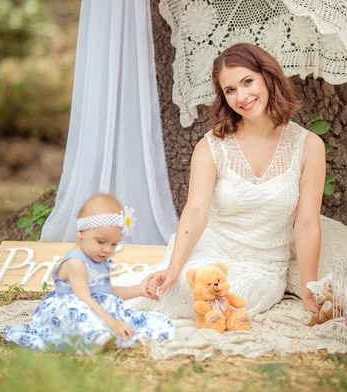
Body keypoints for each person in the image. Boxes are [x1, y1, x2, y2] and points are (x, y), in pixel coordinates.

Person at [115, 43, 325, 317]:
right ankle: (108, 307)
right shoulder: (212, 146)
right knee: (180, 287)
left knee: (222, 297)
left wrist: (309, 293)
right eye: (230, 90)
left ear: (268, 77)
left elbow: (307, 224)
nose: (242, 96)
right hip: (207, 253)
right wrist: (174, 267)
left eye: (248, 82)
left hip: (261, 267)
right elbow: (196, 210)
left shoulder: (308, 146)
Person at [2, 194, 175, 353]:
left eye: (114, 244)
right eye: (101, 241)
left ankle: (115, 333)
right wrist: (112, 322)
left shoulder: (100, 260)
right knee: (80, 311)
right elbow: (84, 298)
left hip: (99, 311)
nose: (107, 249)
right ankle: (97, 337)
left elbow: (107, 292)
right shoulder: (76, 263)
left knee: (136, 319)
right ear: (81, 232)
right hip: (72, 313)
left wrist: (138, 290)